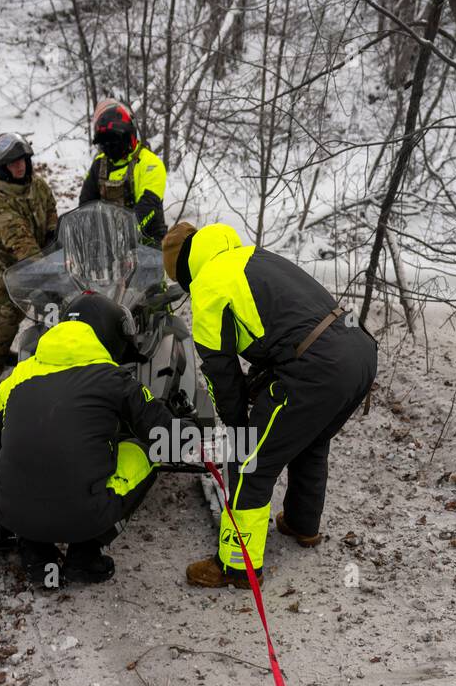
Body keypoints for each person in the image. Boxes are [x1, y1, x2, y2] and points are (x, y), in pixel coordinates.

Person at [161, 221, 377, 588]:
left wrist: (238, 428)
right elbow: (284, 329)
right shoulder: (253, 257)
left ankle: (236, 567)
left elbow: (220, 375)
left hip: (316, 368)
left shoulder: (209, 289)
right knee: (308, 439)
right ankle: (301, 524)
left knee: (250, 460)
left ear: (182, 269)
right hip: (359, 351)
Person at [0, 293, 193, 586]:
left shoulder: (19, 375)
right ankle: (86, 555)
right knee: (146, 451)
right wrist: (184, 420)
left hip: (11, 513)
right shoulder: (113, 378)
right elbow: (170, 441)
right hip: (84, 517)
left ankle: (36, 552)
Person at [0, 132, 58, 391]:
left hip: (37, 259)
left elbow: (51, 211)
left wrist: (56, 238)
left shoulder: (37, 185)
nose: (20, 166)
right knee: (2, 318)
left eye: (22, 160)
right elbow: (18, 237)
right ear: (1, 167)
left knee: (54, 308)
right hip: (2, 267)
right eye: (12, 163)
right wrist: (46, 271)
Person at [79, 99, 167, 247]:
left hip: (147, 244)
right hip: (107, 245)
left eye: (112, 141)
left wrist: (126, 233)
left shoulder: (150, 164)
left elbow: (148, 206)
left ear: (127, 136)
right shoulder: (99, 164)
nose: (108, 147)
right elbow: (85, 204)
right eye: (104, 142)